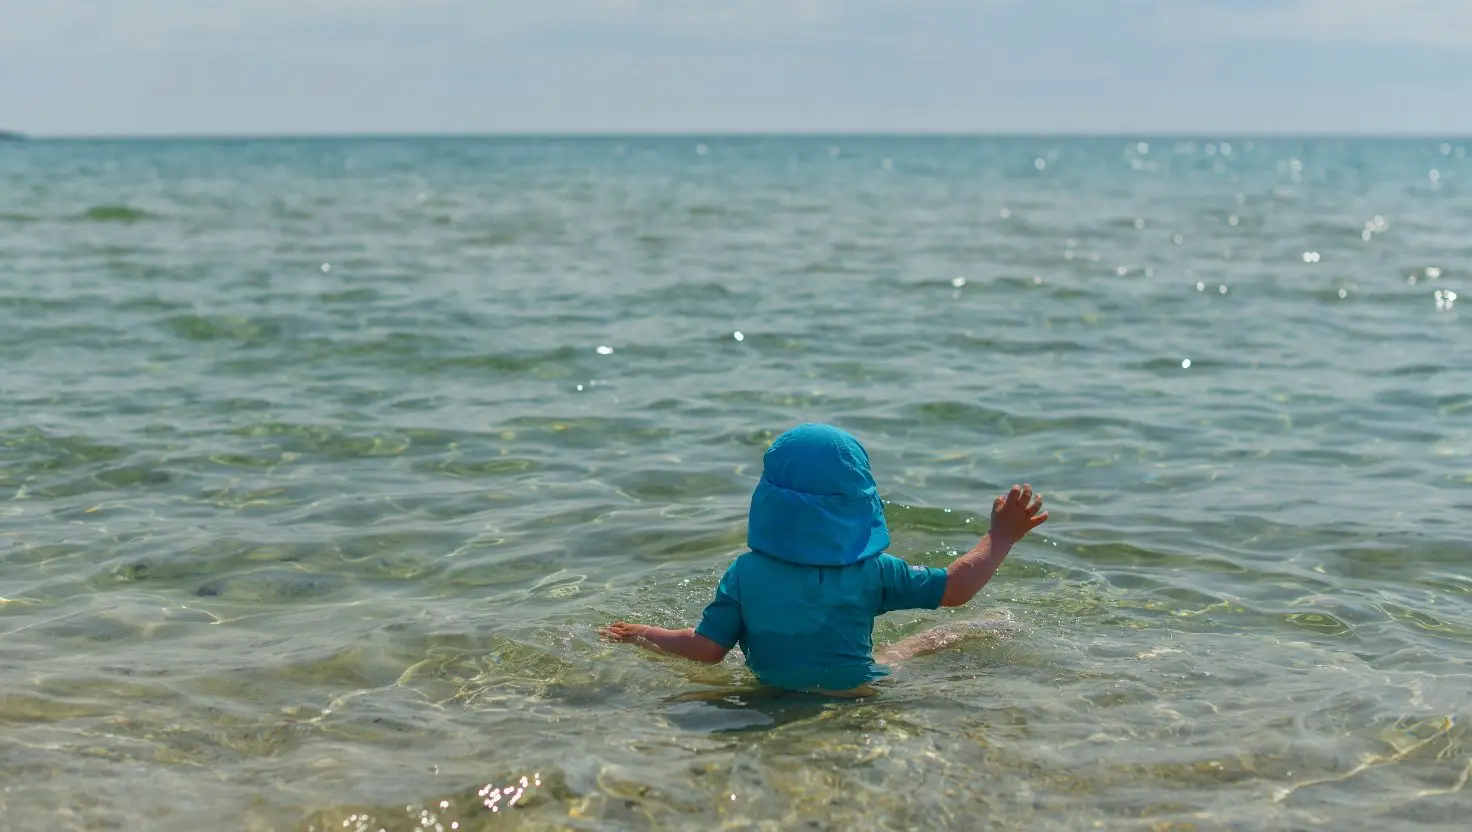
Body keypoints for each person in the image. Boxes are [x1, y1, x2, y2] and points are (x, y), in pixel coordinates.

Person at [599, 423, 1048, 696]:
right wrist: (1000, 536)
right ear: (858, 500)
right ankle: (986, 628)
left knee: (898, 651)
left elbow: (706, 650)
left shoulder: (745, 574)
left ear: (770, 499)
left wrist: (643, 634)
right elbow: (954, 589)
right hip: (858, 693)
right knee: (912, 646)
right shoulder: (873, 571)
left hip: (771, 694)